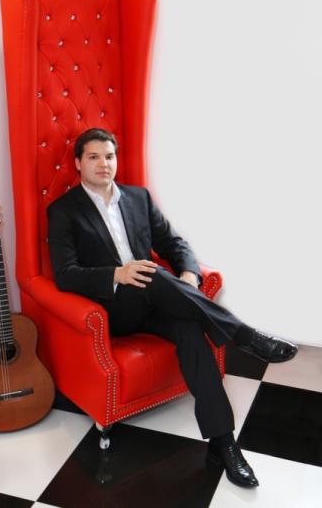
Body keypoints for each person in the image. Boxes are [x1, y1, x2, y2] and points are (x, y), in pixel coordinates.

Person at [47, 128, 297, 488]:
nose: (104, 163)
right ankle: (245, 336)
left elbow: (174, 243)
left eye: (110, 156)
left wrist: (189, 278)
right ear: (78, 163)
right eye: (94, 157)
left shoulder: (138, 198)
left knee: (190, 329)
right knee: (151, 273)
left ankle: (223, 444)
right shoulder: (64, 211)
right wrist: (118, 273)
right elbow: (66, 275)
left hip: (156, 300)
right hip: (114, 309)